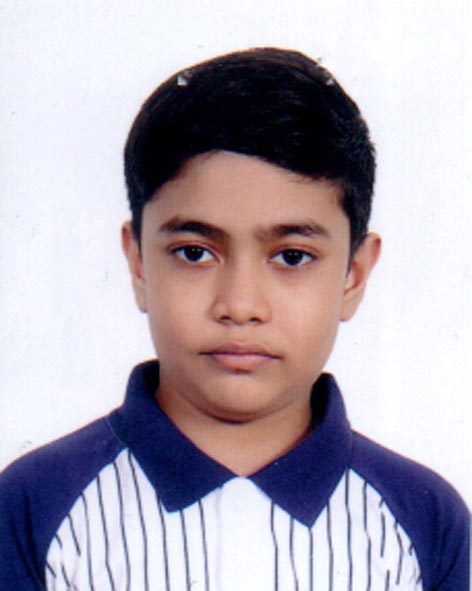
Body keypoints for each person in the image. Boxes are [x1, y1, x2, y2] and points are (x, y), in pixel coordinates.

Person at [0, 48, 468, 591]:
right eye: (195, 252)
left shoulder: (423, 520)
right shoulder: (35, 506)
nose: (241, 305)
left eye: (291, 256)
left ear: (353, 275)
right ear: (138, 263)